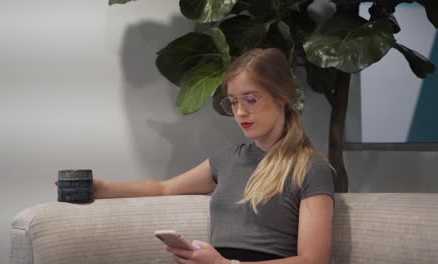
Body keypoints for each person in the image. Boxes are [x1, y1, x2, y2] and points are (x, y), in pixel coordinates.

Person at [58, 48, 335, 264]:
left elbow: (314, 259)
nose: (240, 113)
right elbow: (164, 188)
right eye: (234, 102)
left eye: (250, 99)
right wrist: (102, 188)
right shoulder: (227, 160)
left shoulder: (311, 169)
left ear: (282, 98)